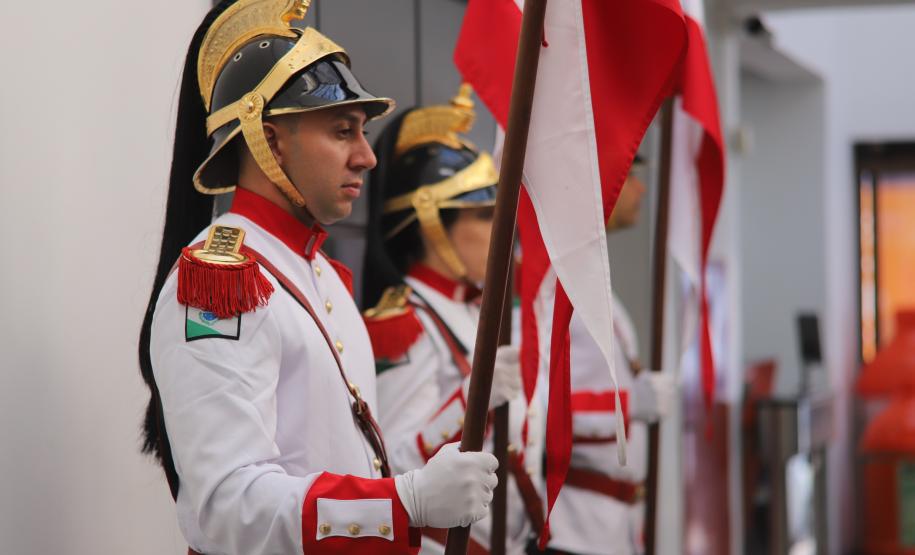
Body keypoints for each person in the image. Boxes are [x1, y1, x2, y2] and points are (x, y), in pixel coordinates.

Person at [137, 2, 498, 554]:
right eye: (342, 131)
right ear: (269, 140)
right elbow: (228, 506)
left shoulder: (318, 273)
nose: (366, 156)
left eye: (362, 132)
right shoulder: (222, 279)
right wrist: (403, 504)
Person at [361, 86, 544, 554]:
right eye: (483, 214)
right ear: (431, 223)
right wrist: (470, 401)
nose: (501, 228)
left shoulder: (475, 309)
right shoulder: (407, 323)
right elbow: (393, 465)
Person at [543, 156, 676, 555]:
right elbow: (535, 408)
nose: (641, 189)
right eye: (629, 175)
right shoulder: (550, 284)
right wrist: (629, 405)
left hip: (613, 525)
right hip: (573, 527)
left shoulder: (588, 281)